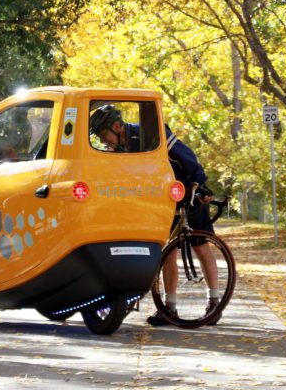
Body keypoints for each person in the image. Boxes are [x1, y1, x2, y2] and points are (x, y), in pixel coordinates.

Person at [89, 104, 222, 326]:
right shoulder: (118, 150)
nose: (104, 141)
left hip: (190, 190)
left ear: (116, 126)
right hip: (162, 200)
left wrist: (200, 185)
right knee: (167, 252)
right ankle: (169, 309)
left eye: (104, 135)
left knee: (200, 245)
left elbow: (186, 156)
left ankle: (215, 303)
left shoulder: (151, 135)